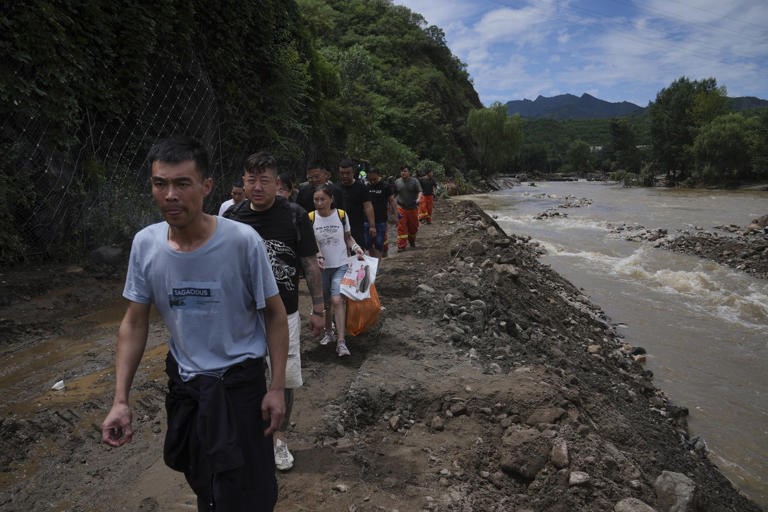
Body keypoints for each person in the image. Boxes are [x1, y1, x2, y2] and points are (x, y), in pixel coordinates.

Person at [101, 136, 288, 512]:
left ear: (206, 187)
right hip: (189, 389)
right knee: (205, 482)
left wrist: (277, 387)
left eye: (182, 184)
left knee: (250, 491)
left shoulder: (241, 241)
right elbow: (134, 323)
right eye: (160, 184)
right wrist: (120, 400)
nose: (171, 195)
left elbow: (275, 314)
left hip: (240, 388)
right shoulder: (146, 244)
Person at [224, 151, 325, 472]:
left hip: (286, 312)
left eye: (264, 180)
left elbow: (309, 263)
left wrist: (319, 308)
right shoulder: (233, 219)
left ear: (277, 183)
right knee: (242, 375)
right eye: (251, 180)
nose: (257, 187)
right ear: (243, 182)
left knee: (284, 378)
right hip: (243, 314)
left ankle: (279, 438)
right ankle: (250, 438)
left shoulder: (294, 215)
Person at [311, 184, 365, 357]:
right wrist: (318, 255)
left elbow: (347, 238)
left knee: (337, 299)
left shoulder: (341, 215)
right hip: (321, 268)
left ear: (331, 199)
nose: (319, 203)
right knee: (326, 302)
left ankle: (341, 341)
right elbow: (312, 243)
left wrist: (356, 247)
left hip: (341, 264)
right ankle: (329, 332)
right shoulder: (310, 218)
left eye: (322, 199)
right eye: (316, 199)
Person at [338, 159, 376, 252]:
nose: (345, 176)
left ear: (353, 172)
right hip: (339, 227)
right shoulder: (335, 188)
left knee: (357, 253)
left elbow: (368, 206)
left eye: (348, 173)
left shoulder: (361, 187)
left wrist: (372, 226)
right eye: (342, 173)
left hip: (356, 226)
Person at [365, 167, 398, 258]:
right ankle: (373, 263)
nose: (373, 182)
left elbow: (392, 201)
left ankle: (376, 267)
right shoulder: (366, 187)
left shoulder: (385, 186)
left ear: (378, 176)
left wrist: (396, 215)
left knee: (379, 244)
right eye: (370, 179)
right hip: (367, 220)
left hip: (381, 220)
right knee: (368, 244)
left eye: (374, 179)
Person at [394, 165, 422, 252]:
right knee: (401, 227)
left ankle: (412, 240)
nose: (403, 173)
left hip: (412, 207)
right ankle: (401, 245)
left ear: (409, 172)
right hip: (401, 207)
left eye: (405, 171)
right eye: (402, 171)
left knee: (413, 227)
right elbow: (393, 194)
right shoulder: (397, 182)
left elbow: (420, 191)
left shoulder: (414, 181)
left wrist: (418, 199)